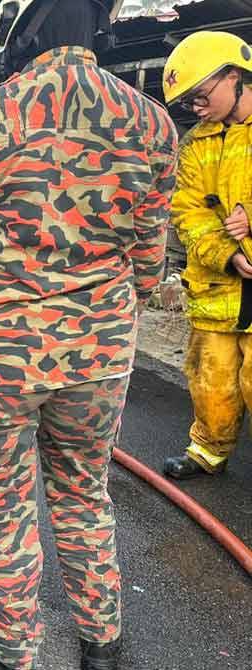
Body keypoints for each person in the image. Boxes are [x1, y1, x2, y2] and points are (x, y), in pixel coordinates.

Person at [0, 2, 178, 670]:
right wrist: (102, 320)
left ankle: (12, 656)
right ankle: (102, 646)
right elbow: (148, 262)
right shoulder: (153, 123)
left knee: (2, 509)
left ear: (18, 29)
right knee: (85, 495)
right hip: (99, 356)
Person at [159, 32, 252, 480]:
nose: (196, 108)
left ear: (234, 76)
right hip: (218, 286)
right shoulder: (196, 143)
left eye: (200, 95)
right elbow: (189, 212)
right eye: (188, 103)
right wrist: (228, 253)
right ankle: (208, 452)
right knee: (209, 379)